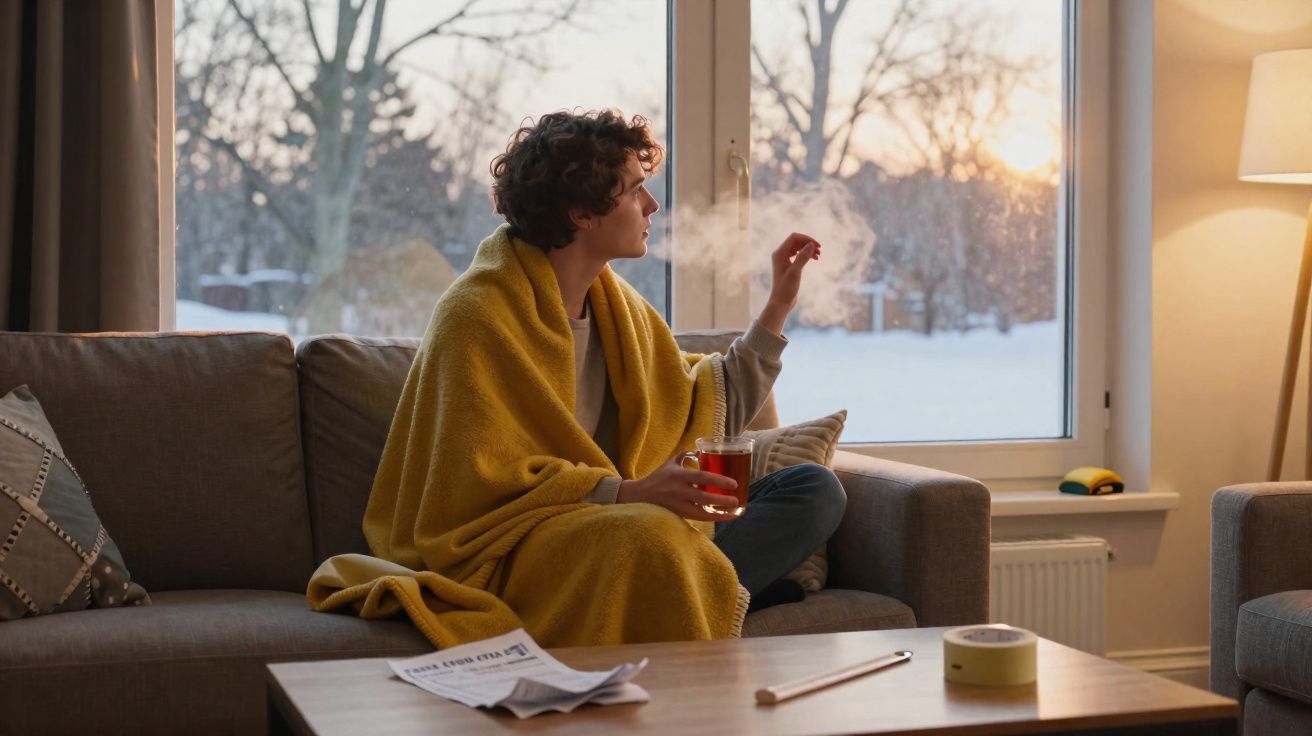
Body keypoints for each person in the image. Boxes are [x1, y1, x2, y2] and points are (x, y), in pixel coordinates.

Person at [309, 109, 845, 648]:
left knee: (813, 489)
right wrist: (630, 493)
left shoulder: (622, 311)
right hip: (528, 539)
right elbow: (476, 489)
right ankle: (712, 584)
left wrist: (778, 302)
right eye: (636, 191)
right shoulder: (476, 315)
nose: (652, 206)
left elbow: (705, 400)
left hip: (629, 526)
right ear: (583, 213)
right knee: (647, 533)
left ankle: (709, 585)